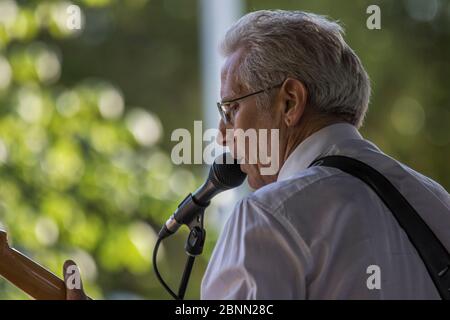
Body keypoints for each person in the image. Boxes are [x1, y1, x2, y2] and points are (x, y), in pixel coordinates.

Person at [64, 10, 450, 300]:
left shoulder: (267, 217)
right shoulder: (437, 202)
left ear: (289, 102)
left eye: (231, 109)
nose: (221, 132)